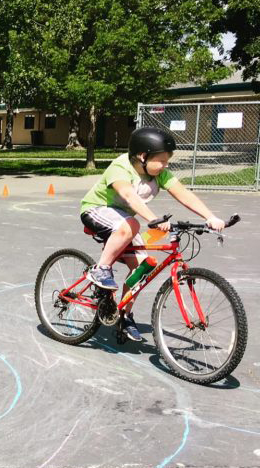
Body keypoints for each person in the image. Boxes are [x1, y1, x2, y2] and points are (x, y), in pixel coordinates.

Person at [80, 126, 226, 342]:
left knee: (142, 266)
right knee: (132, 224)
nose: (166, 165)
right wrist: (153, 219)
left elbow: (183, 194)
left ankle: (124, 315)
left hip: (123, 220)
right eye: (162, 160)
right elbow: (129, 196)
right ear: (143, 156)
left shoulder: (160, 173)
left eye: (168, 160)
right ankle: (101, 269)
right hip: (96, 210)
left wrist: (210, 217)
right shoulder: (121, 166)